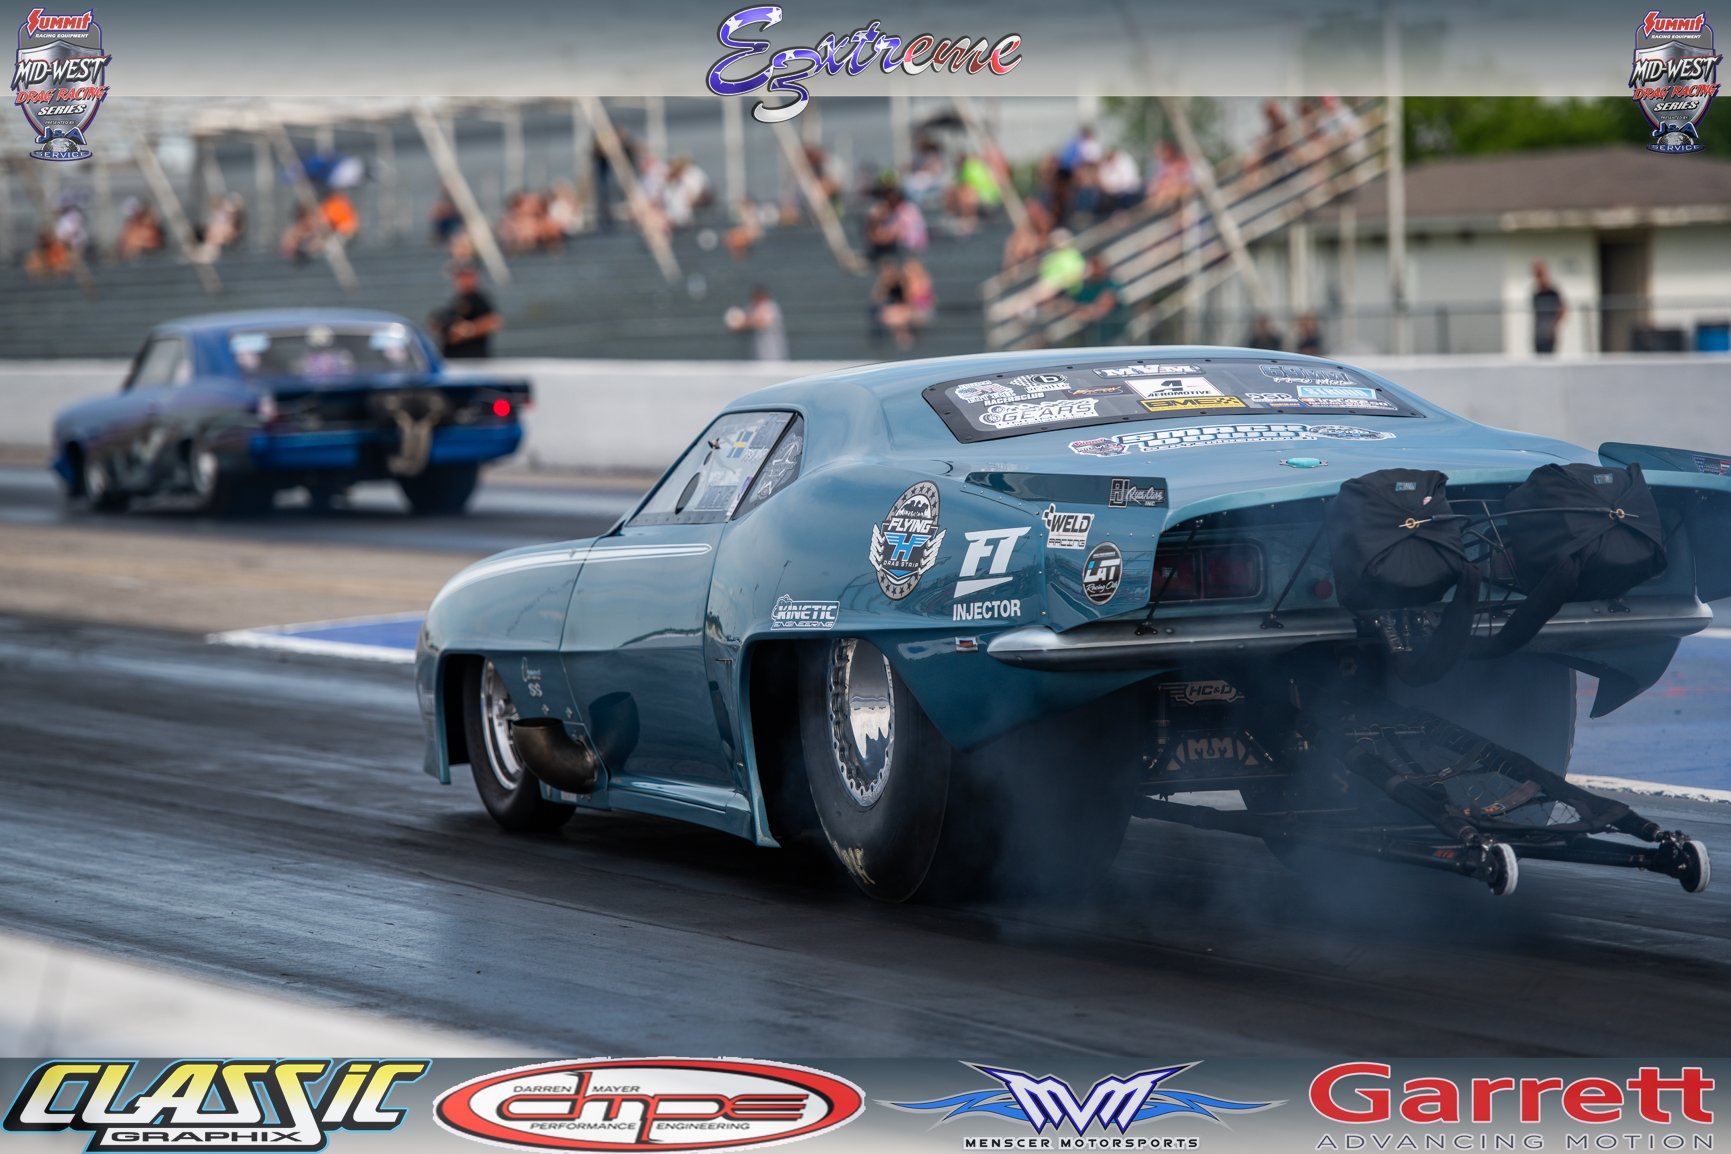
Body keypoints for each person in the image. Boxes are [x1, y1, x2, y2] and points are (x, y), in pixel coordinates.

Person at [433, 264, 503, 359]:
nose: (462, 280)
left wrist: (468, 330)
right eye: (459, 277)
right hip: (454, 358)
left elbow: (494, 321)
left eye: (466, 276)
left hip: (472, 359)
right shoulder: (457, 300)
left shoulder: (478, 299)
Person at [1070, 254, 1126, 345]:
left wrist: (1086, 312)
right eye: (1093, 265)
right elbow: (1072, 308)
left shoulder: (1112, 284)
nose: (1095, 269)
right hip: (1092, 339)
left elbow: (1100, 309)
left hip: (1116, 338)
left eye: (1097, 265)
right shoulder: (1085, 287)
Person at [726, 286, 787, 361]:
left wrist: (745, 322)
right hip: (755, 356)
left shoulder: (771, 307)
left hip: (773, 355)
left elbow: (762, 321)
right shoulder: (751, 308)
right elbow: (736, 325)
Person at [1532, 260, 1566, 355]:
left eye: (1540, 274)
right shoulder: (1536, 294)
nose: (1538, 278)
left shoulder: (1553, 292)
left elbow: (1562, 310)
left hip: (1549, 335)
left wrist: (1552, 327)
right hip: (1538, 333)